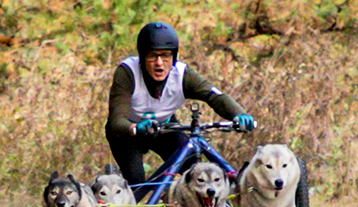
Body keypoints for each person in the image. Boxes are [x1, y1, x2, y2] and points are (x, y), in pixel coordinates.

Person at [105, 21, 256, 186]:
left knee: (195, 173)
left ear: (174, 56)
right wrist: (134, 128)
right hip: (128, 134)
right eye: (152, 56)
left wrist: (239, 114)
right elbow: (116, 121)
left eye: (166, 55)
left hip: (164, 128)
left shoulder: (182, 74)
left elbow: (215, 96)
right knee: (136, 181)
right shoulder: (127, 72)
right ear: (142, 57)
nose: (159, 63)